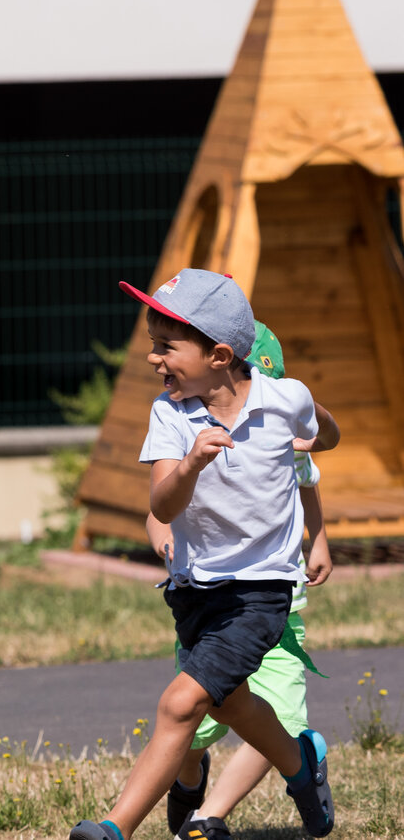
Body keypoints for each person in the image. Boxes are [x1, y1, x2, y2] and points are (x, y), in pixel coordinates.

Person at [69, 269, 339, 840]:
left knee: (180, 704)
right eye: (152, 345)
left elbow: (321, 429)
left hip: (261, 592)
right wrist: (191, 463)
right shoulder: (170, 414)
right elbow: (163, 507)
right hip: (195, 590)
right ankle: (300, 767)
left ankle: (112, 829)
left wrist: (317, 431)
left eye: (166, 346)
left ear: (218, 354)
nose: (152, 359)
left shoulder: (285, 398)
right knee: (233, 706)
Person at [153, 322, 334, 840]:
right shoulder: (183, 424)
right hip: (210, 603)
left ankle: (210, 816)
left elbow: (307, 485)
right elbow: (160, 504)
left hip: (277, 610)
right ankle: (189, 780)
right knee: (194, 722)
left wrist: (316, 540)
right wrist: (163, 539)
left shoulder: (283, 428)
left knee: (277, 716)